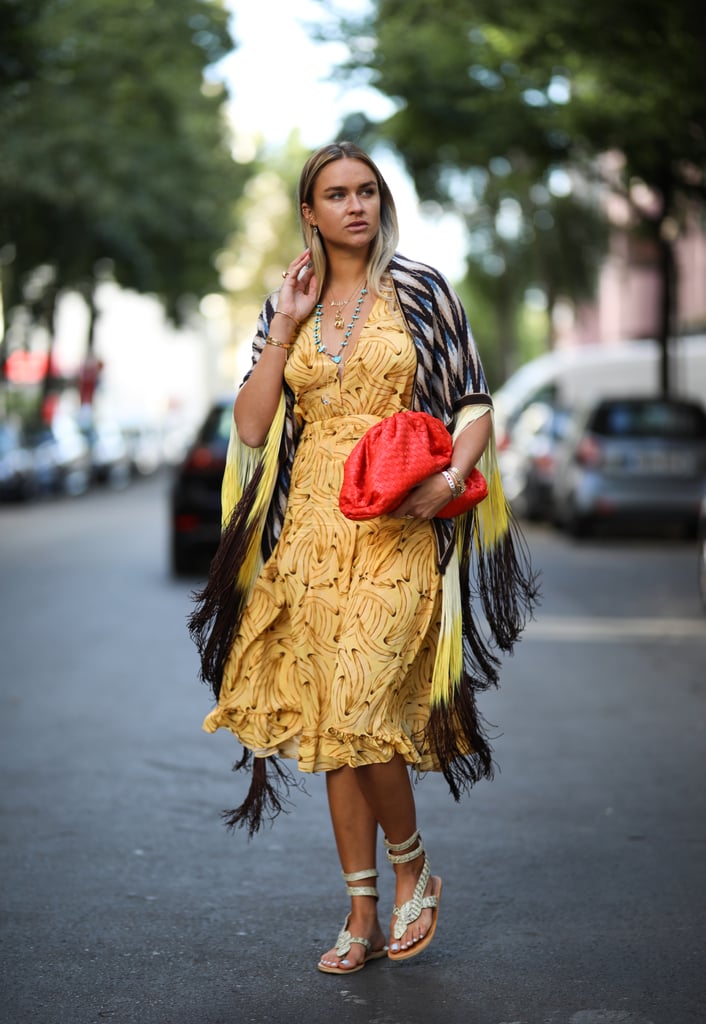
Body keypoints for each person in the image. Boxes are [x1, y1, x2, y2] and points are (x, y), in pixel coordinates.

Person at [189, 141, 537, 974]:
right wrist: (280, 328)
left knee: (360, 701)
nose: (356, 205)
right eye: (337, 194)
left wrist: (452, 473)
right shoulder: (295, 303)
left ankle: (413, 866)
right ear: (309, 212)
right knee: (335, 729)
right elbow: (250, 424)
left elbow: (475, 405)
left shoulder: (420, 290)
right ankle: (360, 910)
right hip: (310, 531)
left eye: (368, 191)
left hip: (396, 523)